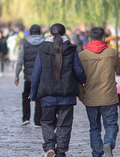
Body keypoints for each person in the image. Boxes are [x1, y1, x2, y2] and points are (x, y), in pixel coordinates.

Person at [30, 23, 86, 157]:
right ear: (64, 33)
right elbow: (78, 70)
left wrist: (33, 93)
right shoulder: (71, 49)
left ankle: (49, 146)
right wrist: (84, 80)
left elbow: (36, 72)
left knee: (47, 122)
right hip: (67, 95)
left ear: (49, 34)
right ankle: (60, 152)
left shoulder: (42, 48)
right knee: (64, 125)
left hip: (47, 95)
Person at [78, 27, 120, 157]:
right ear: (104, 38)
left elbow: (78, 78)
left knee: (94, 128)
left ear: (89, 39)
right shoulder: (112, 53)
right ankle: (108, 143)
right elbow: (118, 66)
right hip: (109, 96)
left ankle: (97, 153)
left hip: (90, 97)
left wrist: (81, 96)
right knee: (111, 125)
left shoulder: (82, 56)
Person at [15, 25, 44, 127]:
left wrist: (16, 75)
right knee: (39, 98)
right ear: (40, 32)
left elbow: (20, 61)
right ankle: (38, 120)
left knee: (25, 96)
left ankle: (26, 118)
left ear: (30, 33)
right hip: (41, 76)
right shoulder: (44, 44)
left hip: (29, 76)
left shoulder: (25, 44)